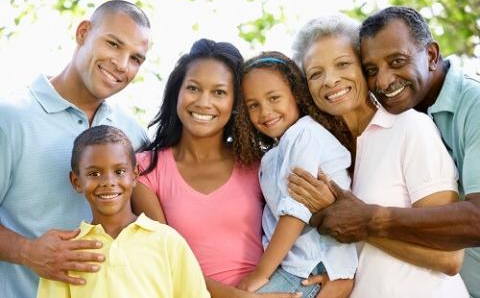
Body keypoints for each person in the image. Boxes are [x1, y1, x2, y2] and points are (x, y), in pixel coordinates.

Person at [291, 6, 480, 298]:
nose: (330, 80)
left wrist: (359, 221)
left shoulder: (410, 126)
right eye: (316, 73)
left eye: (342, 64)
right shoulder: (325, 153)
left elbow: (449, 259)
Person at [0, 0, 151, 298]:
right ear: (83, 32)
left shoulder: (134, 133)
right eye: (113, 44)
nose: (122, 64)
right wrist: (26, 251)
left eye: (135, 58)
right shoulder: (11, 118)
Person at [131, 39, 300, 298]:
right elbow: (164, 262)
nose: (204, 102)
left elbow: (300, 225)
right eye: (193, 88)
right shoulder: (145, 169)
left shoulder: (258, 164)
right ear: (177, 92)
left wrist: (331, 275)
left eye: (219, 92)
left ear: (235, 103)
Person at [233, 51, 357, 297]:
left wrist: (261, 273)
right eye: (253, 105)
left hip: (312, 265)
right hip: (293, 264)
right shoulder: (273, 155)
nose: (265, 111)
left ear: (296, 95)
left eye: (274, 98)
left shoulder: (304, 135)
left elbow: (296, 211)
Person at [36, 125, 209, 298]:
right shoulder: (65, 253)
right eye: (94, 173)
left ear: (134, 175)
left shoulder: (168, 241)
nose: (108, 182)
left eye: (119, 171)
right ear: (76, 181)